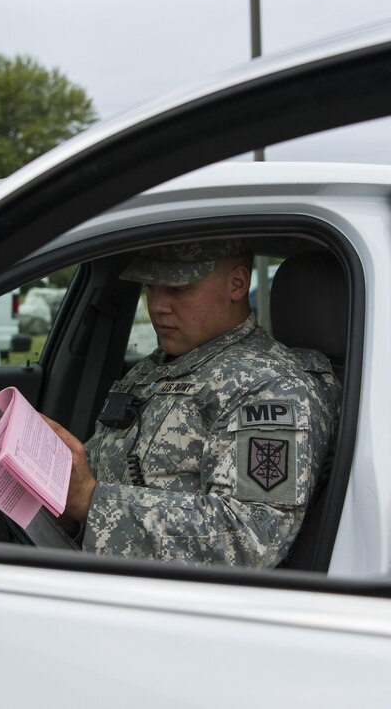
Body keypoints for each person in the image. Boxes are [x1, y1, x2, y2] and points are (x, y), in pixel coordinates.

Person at [44, 239, 340, 568]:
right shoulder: (155, 369)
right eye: (150, 287)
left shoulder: (272, 388)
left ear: (238, 284)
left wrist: (90, 500)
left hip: (184, 609)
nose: (157, 305)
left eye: (178, 288)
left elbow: (251, 537)